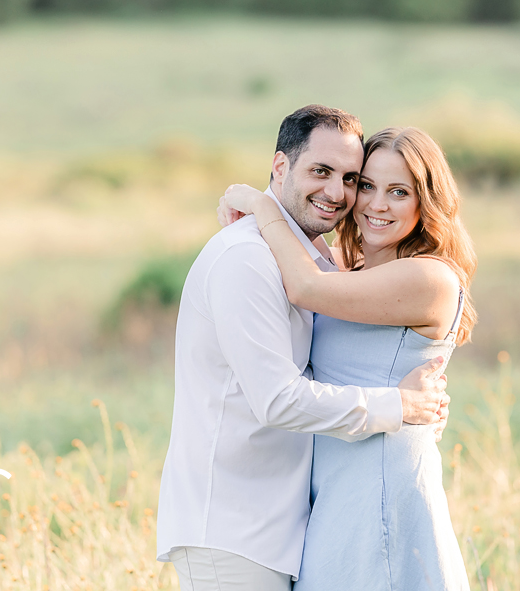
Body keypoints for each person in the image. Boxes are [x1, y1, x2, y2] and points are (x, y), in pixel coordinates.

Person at [156, 105, 450, 591]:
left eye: (350, 178)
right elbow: (277, 398)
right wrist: (400, 405)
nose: (338, 193)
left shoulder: (316, 263)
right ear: (279, 167)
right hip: (232, 529)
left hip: (290, 527)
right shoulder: (247, 259)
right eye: (321, 171)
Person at [219, 125, 477, 590]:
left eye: (398, 192)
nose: (377, 205)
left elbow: (305, 286)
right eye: (366, 185)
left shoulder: (428, 278)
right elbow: (302, 261)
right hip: (336, 485)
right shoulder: (349, 269)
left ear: (426, 202)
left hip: (379, 480)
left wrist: (263, 203)